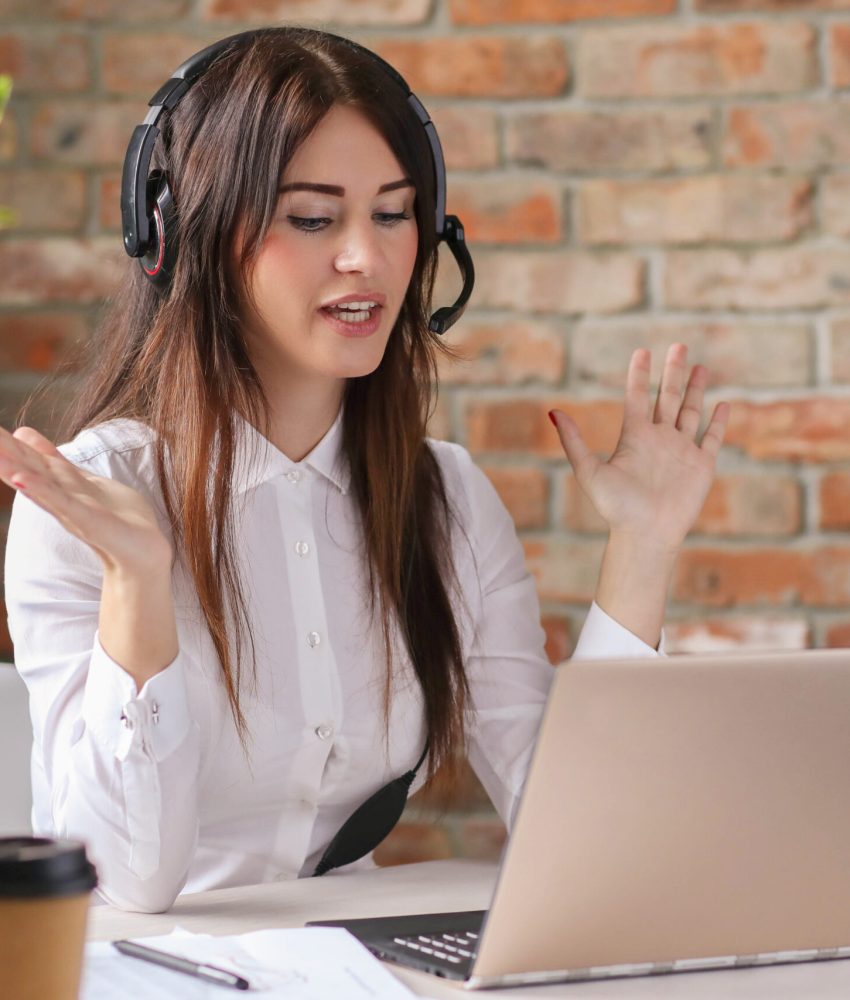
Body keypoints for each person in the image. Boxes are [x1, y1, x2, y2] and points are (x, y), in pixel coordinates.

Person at [1, 28, 729, 913]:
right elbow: (129, 881)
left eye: (393, 214)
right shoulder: (94, 500)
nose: (368, 256)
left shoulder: (446, 498)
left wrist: (643, 544)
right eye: (313, 218)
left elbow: (585, 831)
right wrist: (138, 583)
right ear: (176, 234)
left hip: (341, 960)